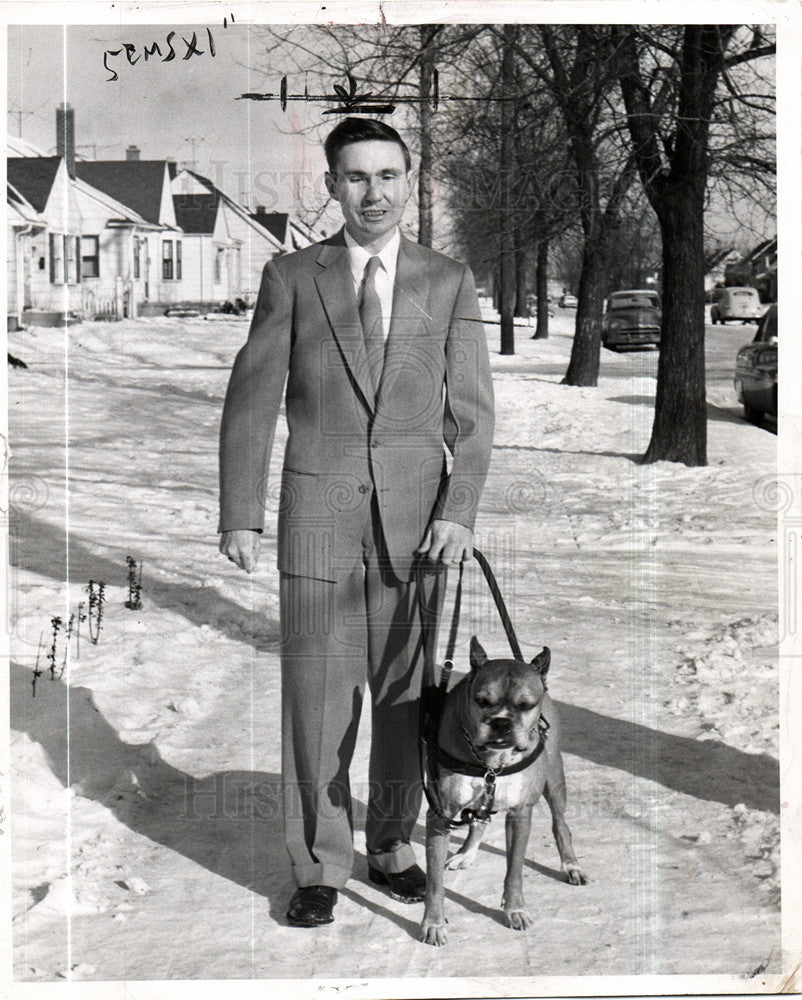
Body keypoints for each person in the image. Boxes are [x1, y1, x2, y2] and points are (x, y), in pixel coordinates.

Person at [218, 117, 494, 927]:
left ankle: (394, 846)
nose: (373, 193)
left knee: (407, 699)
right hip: (315, 521)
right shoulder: (292, 276)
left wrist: (459, 511)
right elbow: (253, 397)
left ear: (410, 183)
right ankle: (318, 863)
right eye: (355, 177)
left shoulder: (447, 281)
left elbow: (472, 413)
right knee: (315, 701)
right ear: (332, 186)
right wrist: (241, 511)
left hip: (417, 530)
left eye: (388, 176)